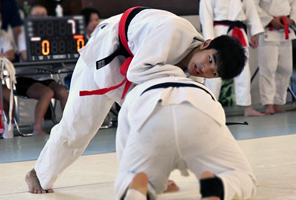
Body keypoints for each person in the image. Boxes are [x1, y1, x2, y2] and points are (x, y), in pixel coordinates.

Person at [25, 7, 246, 193]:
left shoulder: (194, 78)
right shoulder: (172, 30)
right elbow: (136, 72)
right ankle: (38, 173)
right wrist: (176, 79)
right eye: (209, 60)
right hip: (104, 54)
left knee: (161, 119)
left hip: (132, 67)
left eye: (213, 72)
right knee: (79, 127)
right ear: (206, 43)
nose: (204, 69)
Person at [114, 76, 257, 200]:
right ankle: (218, 186)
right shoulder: (199, 84)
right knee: (242, 176)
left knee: (129, 175)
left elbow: (124, 143)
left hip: (150, 111)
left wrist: (131, 171)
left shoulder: (137, 89)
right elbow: (218, 121)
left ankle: (138, 188)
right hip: (198, 110)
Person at [200, 0, 265, 117]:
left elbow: (250, 11)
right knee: (214, 70)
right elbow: (206, 16)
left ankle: (247, 107)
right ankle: (209, 107)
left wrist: (254, 33)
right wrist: (210, 40)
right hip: (218, 32)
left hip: (238, 31)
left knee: (243, 69)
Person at [15, 5, 69, 135]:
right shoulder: (24, 35)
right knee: (47, 93)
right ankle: (37, 128)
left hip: (44, 77)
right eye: (36, 15)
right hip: (24, 78)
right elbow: (26, 57)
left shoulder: (53, 34)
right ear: (30, 18)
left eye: (43, 15)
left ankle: (68, 126)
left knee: (63, 92)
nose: (40, 18)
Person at [254, 0, 296, 114]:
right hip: (268, 31)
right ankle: (268, 104)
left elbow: (294, 3)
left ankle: (278, 102)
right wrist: (270, 20)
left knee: (286, 69)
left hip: (286, 30)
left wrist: (292, 19)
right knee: (268, 69)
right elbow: (253, 6)